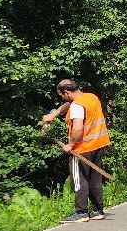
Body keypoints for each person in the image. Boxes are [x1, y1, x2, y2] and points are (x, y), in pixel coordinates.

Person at [41, 78, 111, 222]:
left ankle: (81, 212)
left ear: (66, 92)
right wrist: (53, 115)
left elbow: (78, 128)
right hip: (98, 144)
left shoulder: (77, 107)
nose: (62, 98)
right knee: (95, 179)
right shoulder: (91, 97)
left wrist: (70, 144)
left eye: (61, 95)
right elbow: (68, 104)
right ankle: (98, 210)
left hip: (82, 148)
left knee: (79, 180)